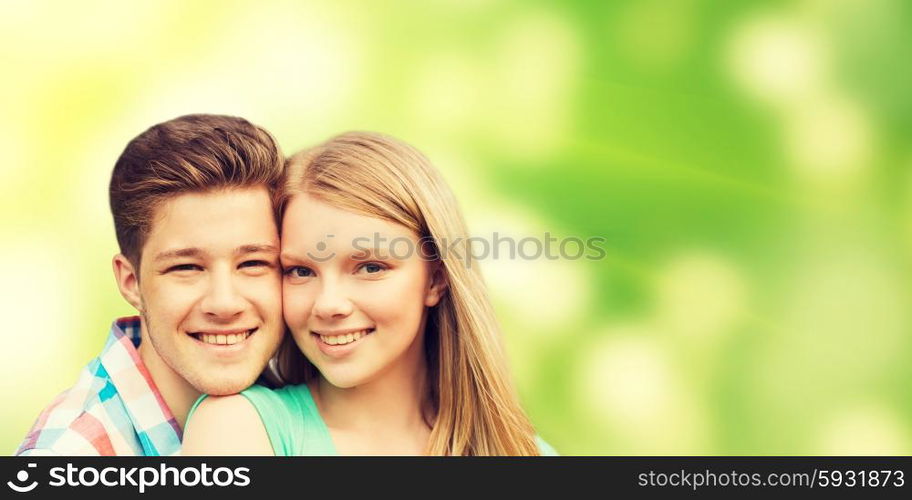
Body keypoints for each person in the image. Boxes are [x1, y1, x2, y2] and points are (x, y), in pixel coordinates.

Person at [183, 131, 554, 455]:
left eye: (370, 268)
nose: (328, 304)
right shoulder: (238, 428)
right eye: (301, 271)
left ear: (435, 279)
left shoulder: (523, 453)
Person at [16, 114, 286, 456]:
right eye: (186, 267)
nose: (225, 303)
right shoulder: (70, 455)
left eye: (253, 263)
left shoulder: (302, 392)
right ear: (131, 282)